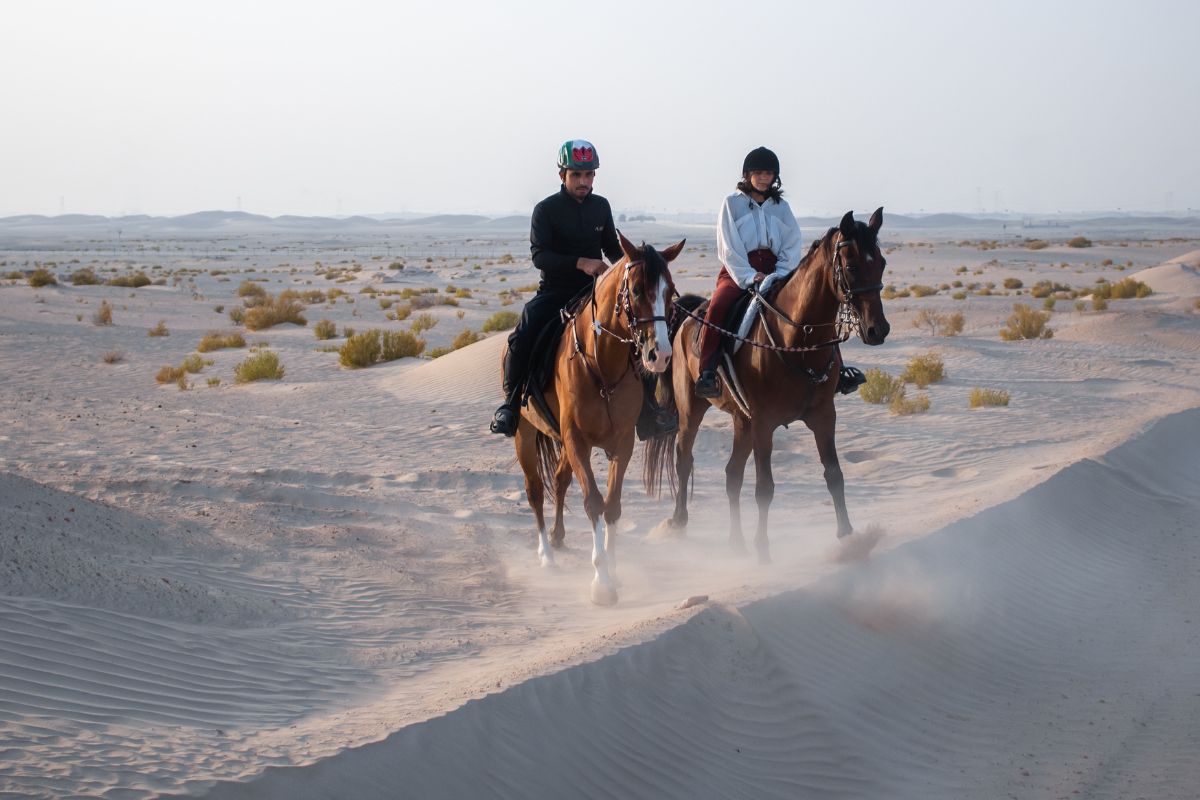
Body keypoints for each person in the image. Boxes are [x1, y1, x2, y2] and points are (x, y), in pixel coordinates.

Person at [491, 140, 675, 438]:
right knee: (523, 335)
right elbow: (540, 255)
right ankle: (510, 406)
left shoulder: (600, 206)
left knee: (640, 334)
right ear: (562, 174)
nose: (584, 181)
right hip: (555, 290)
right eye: (576, 175)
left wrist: (635, 267)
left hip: (595, 293)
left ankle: (649, 411)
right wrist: (581, 263)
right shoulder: (545, 210)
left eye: (589, 175)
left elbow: (614, 251)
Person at [695, 146, 864, 398]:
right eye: (759, 173)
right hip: (738, 270)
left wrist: (783, 274)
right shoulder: (732, 204)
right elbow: (728, 245)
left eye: (769, 173)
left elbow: (792, 242)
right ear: (747, 174)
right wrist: (749, 275)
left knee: (814, 309)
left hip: (777, 270)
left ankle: (837, 370)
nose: (765, 178)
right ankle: (706, 370)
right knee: (718, 306)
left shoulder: (781, 207)